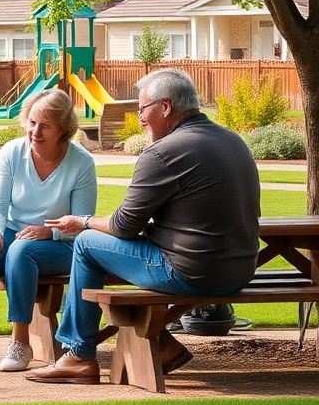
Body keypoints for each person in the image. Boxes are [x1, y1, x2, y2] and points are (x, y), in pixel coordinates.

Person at [27, 68, 261, 385]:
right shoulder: (234, 141)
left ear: (165, 107)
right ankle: (162, 344)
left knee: (86, 243)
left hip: (193, 274)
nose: (139, 118)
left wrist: (81, 221)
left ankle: (78, 355)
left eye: (142, 109)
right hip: (241, 271)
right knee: (129, 255)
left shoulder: (164, 151)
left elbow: (124, 225)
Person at [0, 90, 96, 373]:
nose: (35, 131)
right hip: (13, 232)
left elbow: (82, 222)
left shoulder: (81, 162)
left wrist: (49, 232)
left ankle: (20, 342)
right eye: (32, 122)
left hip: (62, 243)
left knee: (22, 251)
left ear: (63, 130)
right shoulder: (12, 152)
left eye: (45, 126)